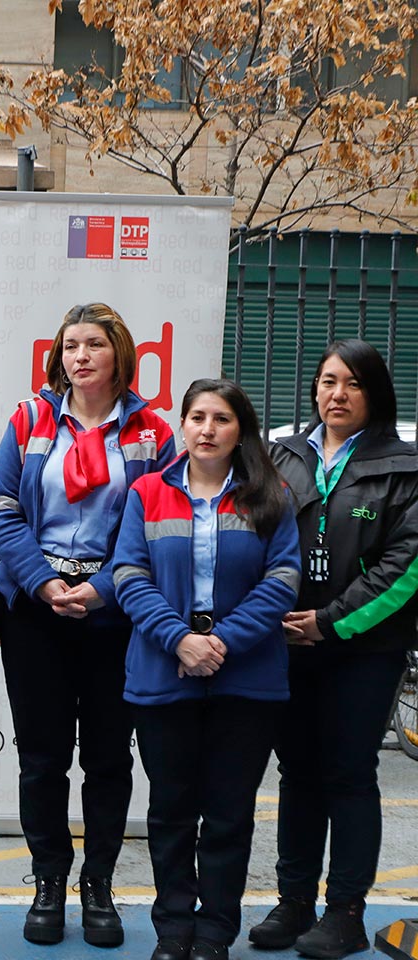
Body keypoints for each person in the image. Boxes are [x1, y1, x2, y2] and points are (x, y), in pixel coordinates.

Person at [0, 302, 174, 948]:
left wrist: (100, 588)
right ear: (57, 356)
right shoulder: (30, 419)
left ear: (120, 353)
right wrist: (42, 580)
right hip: (35, 611)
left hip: (114, 611)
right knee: (41, 758)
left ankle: (97, 883)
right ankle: (47, 879)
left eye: (94, 344)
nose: (81, 356)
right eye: (71, 345)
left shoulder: (153, 432)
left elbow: (157, 520)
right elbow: (3, 507)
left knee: (106, 760)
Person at [113, 379, 300, 960]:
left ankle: (215, 930)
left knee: (227, 815)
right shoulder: (147, 492)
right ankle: (173, 928)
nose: (207, 429)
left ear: (239, 428)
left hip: (246, 681)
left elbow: (283, 581)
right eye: (197, 417)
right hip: (164, 676)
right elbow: (127, 575)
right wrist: (179, 641)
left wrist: (220, 642)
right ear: (183, 425)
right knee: (170, 810)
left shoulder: (271, 496)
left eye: (221, 418)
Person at [249, 340, 418, 959]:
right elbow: (251, 535)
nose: (336, 394)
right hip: (285, 645)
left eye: (351, 384)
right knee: (297, 775)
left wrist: (330, 622)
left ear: (374, 394)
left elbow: (407, 566)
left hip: (363, 649)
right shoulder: (280, 455)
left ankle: (345, 910)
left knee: (349, 775)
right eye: (326, 381)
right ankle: (294, 902)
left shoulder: (406, 465)